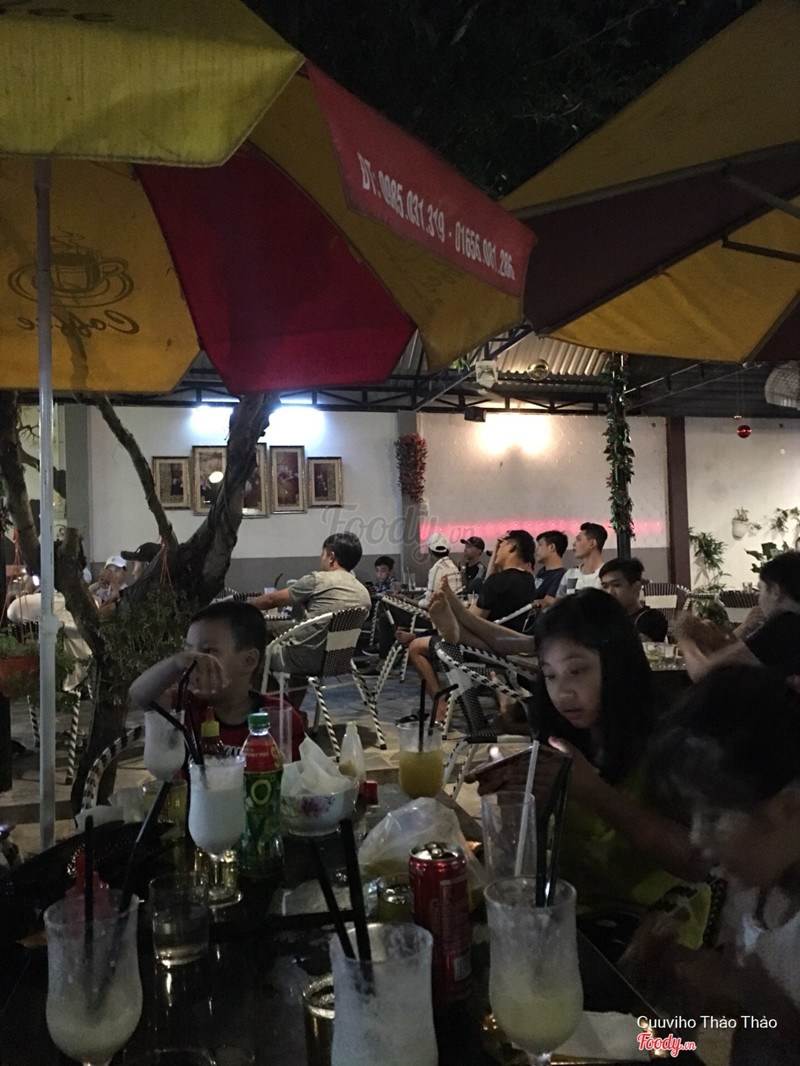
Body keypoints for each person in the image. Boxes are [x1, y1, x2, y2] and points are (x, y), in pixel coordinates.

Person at [437, 587, 707, 952]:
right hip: (573, 910)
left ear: (616, 662)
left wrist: (594, 791)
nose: (562, 693)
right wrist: (518, 800)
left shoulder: (670, 740)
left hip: (652, 925)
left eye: (576, 671)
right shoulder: (562, 735)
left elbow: (694, 863)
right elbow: (542, 852)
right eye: (550, 676)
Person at [630, 665, 800, 1063]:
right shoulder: (754, 894)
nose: (695, 838)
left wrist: (750, 994)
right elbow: (728, 1031)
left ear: (789, 807)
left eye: (712, 815)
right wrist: (669, 987)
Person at [128, 600, 305, 761]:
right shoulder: (184, 706)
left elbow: (295, 779)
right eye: (189, 652)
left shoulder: (278, 718)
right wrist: (175, 663)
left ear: (249, 660)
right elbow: (139, 695)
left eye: (208, 652)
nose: (193, 663)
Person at [401, 530, 536, 713]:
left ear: (512, 547)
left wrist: (457, 612)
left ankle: (440, 708)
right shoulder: (528, 581)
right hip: (506, 643)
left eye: (501, 546)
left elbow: (473, 618)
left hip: (482, 647)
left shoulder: (498, 581)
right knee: (446, 631)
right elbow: (490, 584)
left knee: (416, 647)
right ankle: (445, 627)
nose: (496, 551)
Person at [247, 532, 371, 704]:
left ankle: (285, 708)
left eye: (322, 554)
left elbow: (271, 600)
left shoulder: (318, 580)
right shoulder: (363, 592)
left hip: (302, 659)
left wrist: (244, 606)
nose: (321, 558)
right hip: (335, 661)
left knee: (249, 657)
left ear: (331, 557)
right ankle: (294, 710)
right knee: (279, 631)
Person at [677, 550, 800, 680]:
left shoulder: (785, 625)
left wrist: (685, 639)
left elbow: (704, 673)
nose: (759, 599)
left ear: (775, 591)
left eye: (760, 590)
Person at [599, 557, 668, 642]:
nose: (610, 592)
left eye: (616, 585)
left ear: (636, 587)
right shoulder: (604, 618)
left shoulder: (651, 619)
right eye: (605, 587)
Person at [555, 522, 607, 597]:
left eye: (579, 539)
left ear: (592, 543)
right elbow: (559, 600)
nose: (574, 544)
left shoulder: (606, 575)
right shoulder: (570, 574)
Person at [532, 529, 567, 604]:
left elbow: (548, 602)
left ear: (551, 547)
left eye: (540, 545)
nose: (536, 550)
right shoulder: (542, 572)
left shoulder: (561, 575)